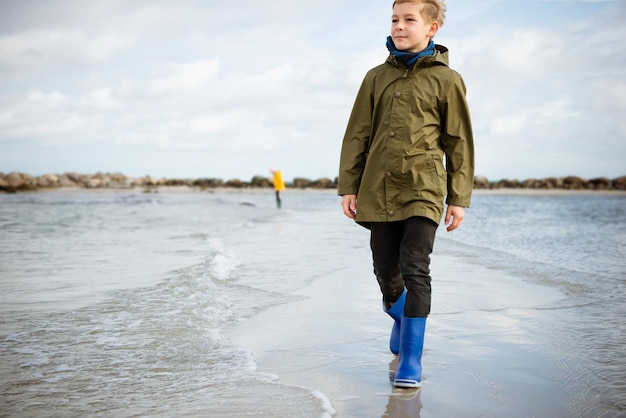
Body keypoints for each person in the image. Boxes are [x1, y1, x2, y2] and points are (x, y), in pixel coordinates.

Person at [337, 0, 474, 388]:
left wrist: (458, 197)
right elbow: (357, 134)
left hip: (425, 186)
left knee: (416, 264)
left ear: (431, 28)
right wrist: (349, 185)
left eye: (409, 19)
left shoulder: (448, 80)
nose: (399, 26)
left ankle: (411, 356)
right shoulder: (374, 77)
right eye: (395, 19)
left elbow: (459, 141)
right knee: (386, 270)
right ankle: (400, 314)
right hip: (378, 186)